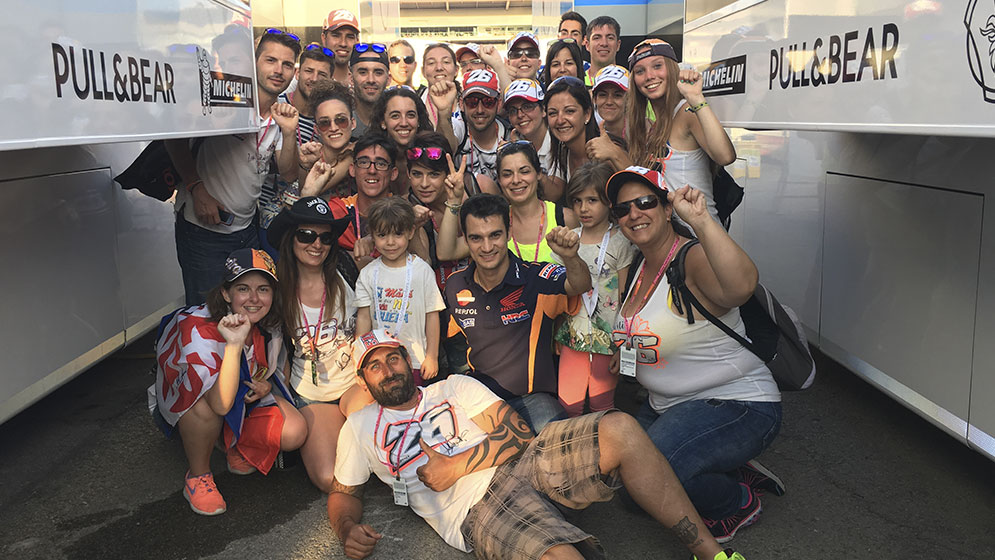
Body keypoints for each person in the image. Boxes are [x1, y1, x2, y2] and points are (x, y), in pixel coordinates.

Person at [327, 330, 749, 560]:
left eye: (393, 358)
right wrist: (347, 528)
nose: (387, 370)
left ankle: (712, 557)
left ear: (408, 361)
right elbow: (343, 494)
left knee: (619, 427)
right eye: (375, 366)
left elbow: (518, 433)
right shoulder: (360, 428)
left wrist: (456, 466)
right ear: (364, 380)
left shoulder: (451, 386)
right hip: (476, 508)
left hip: (526, 462)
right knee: (560, 557)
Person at [606, 166, 782, 543]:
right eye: (623, 209)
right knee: (629, 491)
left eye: (645, 202)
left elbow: (740, 286)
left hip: (735, 402)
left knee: (652, 481)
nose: (634, 213)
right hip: (665, 404)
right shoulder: (638, 265)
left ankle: (738, 500)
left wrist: (702, 220)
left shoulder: (692, 258)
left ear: (667, 208)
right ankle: (725, 463)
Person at [150, 248, 306, 515]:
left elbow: (269, 369)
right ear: (225, 293)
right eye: (243, 288)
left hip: (238, 397)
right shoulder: (197, 327)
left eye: (264, 289)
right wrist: (233, 345)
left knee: (294, 431)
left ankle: (232, 442)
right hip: (194, 406)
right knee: (204, 409)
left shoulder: (269, 322)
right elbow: (220, 403)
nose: (255, 299)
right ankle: (198, 476)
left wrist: (266, 385)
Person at [166, 28, 301, 305]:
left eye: (287, 64)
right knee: (204, 315)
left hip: (245, 229)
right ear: (255, 63)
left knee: (244, 313)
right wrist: (196, 188)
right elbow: (173, 138)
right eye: (270, 60)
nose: (279, 70)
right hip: (204, 231)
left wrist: (289, 133)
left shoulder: (280, 113)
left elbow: (288, 172)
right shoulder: (224, 99)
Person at [444, 193, 590, 432]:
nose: (487, 247)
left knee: (558, 449)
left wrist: (570, 257)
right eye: (476, 238)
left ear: (509, 232)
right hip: (478, 401)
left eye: (495, 235)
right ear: (466, 240)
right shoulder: (455, 285)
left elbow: (580, 284)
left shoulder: (535, 277)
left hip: (532, 399)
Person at [266, 196, 365, 492]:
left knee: (385, 448)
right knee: (328, 480)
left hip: (355, 384)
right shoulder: (277, 287)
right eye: (306, 235)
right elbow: (272, 349)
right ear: (290, 238)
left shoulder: (346, 269)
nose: (316, 244)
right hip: (313, 394)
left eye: (325, 237)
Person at [553, 162, 635, 417]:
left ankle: (604, 454)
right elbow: (558, 295)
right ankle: (575, 453)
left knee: (603, 404)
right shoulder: (568, 239)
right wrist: (555, 333)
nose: (583, 208)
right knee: (568, 405)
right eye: (577, 201)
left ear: (609, 202)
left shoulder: (622, 241)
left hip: (608, 338)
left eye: (592, 200)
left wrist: (624, 346)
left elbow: (627, 298)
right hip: (572, 336)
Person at [626, 39, 736, 221]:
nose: (649, 76)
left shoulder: (686, 112)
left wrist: (696, 97)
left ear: (671, 68)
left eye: (657, 66)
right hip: (672, 239)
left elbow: (725, 156)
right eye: (640, 71)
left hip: (700, 236)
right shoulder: (652, 127)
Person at [355, 198, 445, 385]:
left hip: (417, 360)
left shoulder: (422, 271)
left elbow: (432, 315)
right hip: (380, 362)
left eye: (397, 234)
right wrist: (360, 359)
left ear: (411, 232)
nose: (390, 242)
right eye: (382, 235)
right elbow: (363, 318)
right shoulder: (368, 274)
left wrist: (432, 356)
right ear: (372, 235)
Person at [406, 132, 473, 378]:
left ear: (447, 174)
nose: (424, 184)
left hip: (473, 318)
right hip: (432, 324)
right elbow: (422, 267)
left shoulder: (471, 206)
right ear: (407, 175)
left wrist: (457, 201)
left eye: (434, 174)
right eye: (417, 174)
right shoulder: (407, 211)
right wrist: (411, 228)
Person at [496, 140, 578, 263]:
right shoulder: (496, 221)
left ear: (539, 174)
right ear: (499, 180)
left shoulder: (566, 218)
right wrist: (455, 200)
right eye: (507, 174)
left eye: (524, 172)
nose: (516, 180)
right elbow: (455, 251)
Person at [546, 76, 629, 189]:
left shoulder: (607, 150)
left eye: (569, 111)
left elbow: (641, 190)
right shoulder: (562, 153)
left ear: (587, 114)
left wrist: (615, 154)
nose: (560, 120)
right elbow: (553, 193)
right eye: (552, 113)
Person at [444, 69, 508, 194]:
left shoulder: (510, 136)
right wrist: (443, 112)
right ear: (461, 104)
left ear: (499, 104)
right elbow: (444, 143)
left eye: (488, 102)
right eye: (472, 102)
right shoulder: (459, 128)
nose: (479, 110)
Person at [504, 78, 565, 202]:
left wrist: (526, 159)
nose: (520, 115)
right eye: (513, 111)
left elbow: (554, 195)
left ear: (543, 110)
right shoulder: (511, 143)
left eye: (527, 107)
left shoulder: (559, 140)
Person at [296, 80, 357, 200]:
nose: (333, 128)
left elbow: (310, 191)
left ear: (353, 123)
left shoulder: (359, 150)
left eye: (341, 120)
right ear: (316, 129)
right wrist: (304, 165)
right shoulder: (310, 154)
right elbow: (303, 195)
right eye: (325, 123)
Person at [369, 86, 435, 196]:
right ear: (383, 122)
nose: (404, 123)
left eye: (410, 115)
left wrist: (444, 113)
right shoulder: (369, 154)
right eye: (395, 116)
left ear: (418, 120)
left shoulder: (430, 153)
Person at [350, 43, 391, 139]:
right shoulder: (340, 121)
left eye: (378, 73)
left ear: (389, 79)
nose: (371, 80)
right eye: (363, 72)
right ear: (351, 78)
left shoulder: (398, 121)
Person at [420, 43, 460, 128]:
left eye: (446, 62)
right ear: (423, 71)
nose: (439, 68)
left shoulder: (468, 102)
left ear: (456, 70)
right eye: (431, 63)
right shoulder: (416, 101)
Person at [321, 10, 361, 85]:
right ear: (324, 38)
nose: (343, 43)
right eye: (336, 35)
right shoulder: (311, 79)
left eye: (350, 37)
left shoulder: (363, 82)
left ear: (357, 41)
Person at [592, 65, 628, 139]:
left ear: (629, 100)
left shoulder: (645, 131)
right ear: (595, 99)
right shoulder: (586, 132)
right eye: (603, 95)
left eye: (617, 95)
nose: (609, 102)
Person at [585, 16, 622, 83]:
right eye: (597, 38)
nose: (604, 43)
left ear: (618, 45)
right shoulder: (577, 83)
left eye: (610, 38)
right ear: (587, 45)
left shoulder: (630, 82)